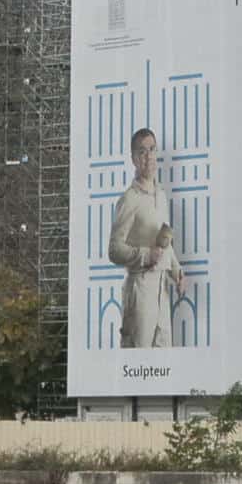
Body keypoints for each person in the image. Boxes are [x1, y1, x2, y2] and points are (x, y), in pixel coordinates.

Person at [107, 128, 183, 348]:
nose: (148, 156)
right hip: (139, 289)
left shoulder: (162, 196)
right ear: (133, 158)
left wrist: (177, 272)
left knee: (163, 363)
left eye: (151, 149)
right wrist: (144, 255)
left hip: (162, 291)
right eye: (142, 151)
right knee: (137, 363)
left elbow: (165, 243)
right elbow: (114, 249)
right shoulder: (129, 200)